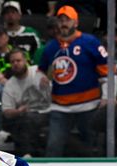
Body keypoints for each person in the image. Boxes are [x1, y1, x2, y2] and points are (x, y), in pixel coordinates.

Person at [38, 5, 108, 157]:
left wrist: (107, 96)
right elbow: (41, 71)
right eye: (60, 20)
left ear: (76, 22)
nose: (63, 23)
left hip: (88, 105)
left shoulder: (90, 42)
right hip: (60, 107)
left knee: (91, 148)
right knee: (53, 147)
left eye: (67, 20)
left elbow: (107, 72)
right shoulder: (51, 47)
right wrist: (42, 80)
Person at [1, 48, 50, 157]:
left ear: (26, 61)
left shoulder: (39, 71)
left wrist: (49, 81)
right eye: (12, 62)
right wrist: (18, 111)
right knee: (23, 121)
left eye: (18, 61)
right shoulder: (10, 84)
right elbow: (6, 111)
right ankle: (27, 155)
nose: (15, 64)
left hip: (49, 111)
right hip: (26, 116)